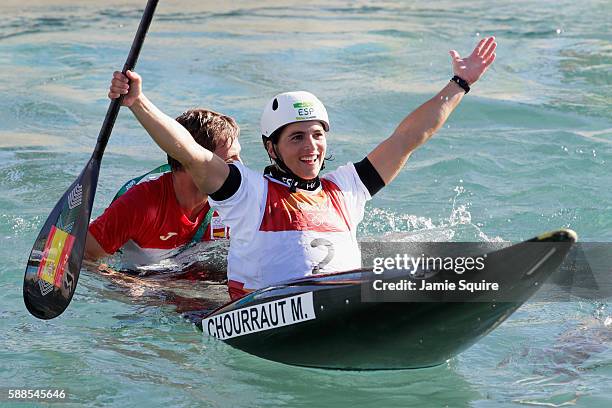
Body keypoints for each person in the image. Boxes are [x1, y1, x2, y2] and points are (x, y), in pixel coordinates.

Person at [107, 36, 497, 299]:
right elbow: (189, 152)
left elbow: (408, 138)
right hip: (258, 315)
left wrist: (460, 82)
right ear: (271, 148)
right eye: (296, 137)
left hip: (340, 302)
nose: (311, 146)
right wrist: (138, 103)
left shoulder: (346, 188)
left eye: (317, 135)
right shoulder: (246, 191)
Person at [84, 108, 241, 269]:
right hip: (142, 281)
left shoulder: (236, 199)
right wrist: (126, 283)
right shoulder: (139, 204)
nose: (240, 167)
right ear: (194, 161)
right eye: (230, 160)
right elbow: (84, 257)